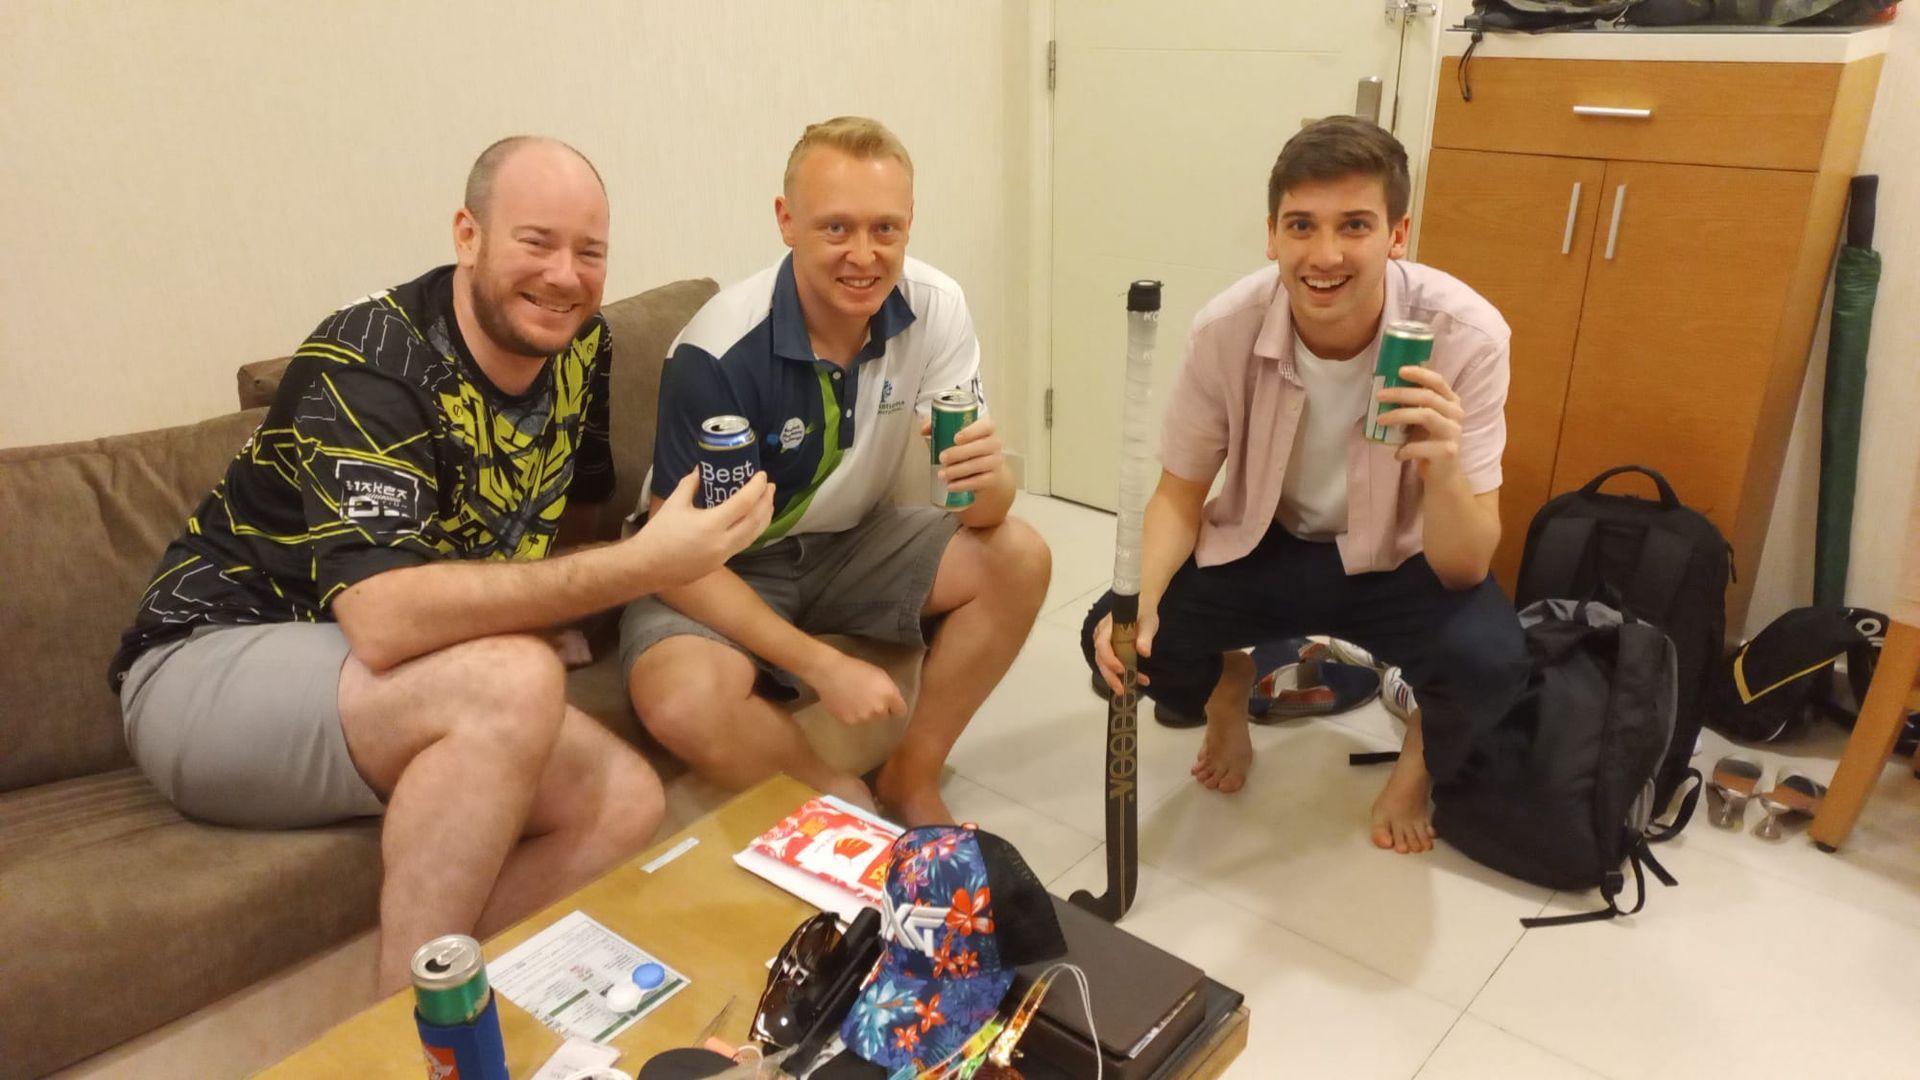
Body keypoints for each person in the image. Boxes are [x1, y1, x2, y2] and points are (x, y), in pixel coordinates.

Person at [108, 136, 774, 989]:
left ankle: (416, 990)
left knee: (625, 804)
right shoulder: (372, 359)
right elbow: (382, 620)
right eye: (535, 241)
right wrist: (639, 566)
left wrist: (577, 594)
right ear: (469, 235)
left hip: (378, 680)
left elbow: (572, 510)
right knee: (512, 678)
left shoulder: (582, 350)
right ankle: (415, 1035)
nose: (565, 275)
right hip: (209, 665)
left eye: (590, 251)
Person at [1081, 116, 1527, 854]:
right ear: (1272, 235)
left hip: (1401, 556)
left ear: (1397, 233)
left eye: (1354, 225)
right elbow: (1180, 493)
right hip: (1268, 542)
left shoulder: (1466, 335)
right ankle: (1231, 687)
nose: (1325, 256)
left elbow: (1466, 565)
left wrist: (1442, 468)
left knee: (1492, 663)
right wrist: (1143, 604)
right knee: (1118, 650)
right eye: (1302, 226)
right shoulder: (1227, 327)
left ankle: (1417, 765)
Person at [621, 116, 1051, 827]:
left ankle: (912, 777)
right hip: (716, 563)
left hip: (851, 542)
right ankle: (841, 799)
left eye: (886, 230)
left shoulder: (936, 308)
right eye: (836, 229)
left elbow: (975, 502)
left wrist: (992, 482)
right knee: (683, 698)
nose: (864, 256)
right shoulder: (717, 348)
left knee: (1021, 557)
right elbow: (672, 563)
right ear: (786, 221)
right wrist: (821, 665)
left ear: (911, 225)